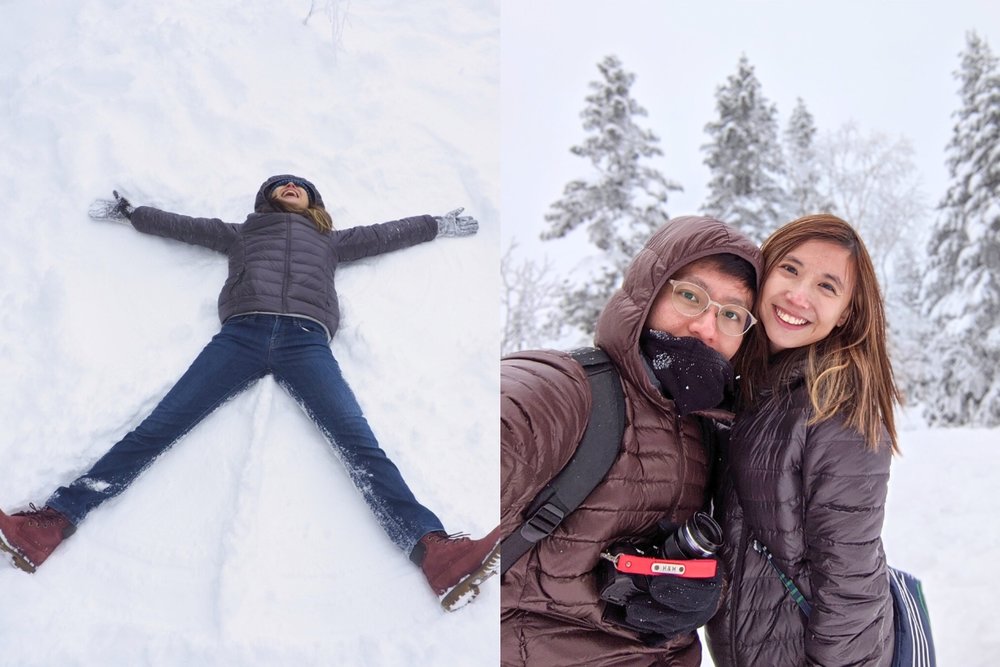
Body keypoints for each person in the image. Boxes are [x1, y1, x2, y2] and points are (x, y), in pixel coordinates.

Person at [0, 175, 500, 608]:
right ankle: (51, 523)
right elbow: (183, 226)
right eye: (282, 184)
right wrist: (133, 214)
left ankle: (436, 553)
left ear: (314, 203)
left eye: (301, 185)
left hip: (306, 342)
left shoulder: (329, 241)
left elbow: (386, 234)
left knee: (358, 442)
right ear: (267, 199)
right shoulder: (243, 232)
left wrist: (437, 223)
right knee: (159, 428)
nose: (292, 185)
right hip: (241, 336)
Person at [500, 216, 762, 666]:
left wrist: (703, 594)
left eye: (731, 314)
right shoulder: (565, 391)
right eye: (690, 296)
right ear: (648, 293)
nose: (706, 327)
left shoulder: (713, 434)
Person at [706, 214, 900, 665]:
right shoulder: (753, 384)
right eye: (790, 269)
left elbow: (848, 584)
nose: (798, 295)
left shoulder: (837, 407)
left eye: (827, 287)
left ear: (845, 312)